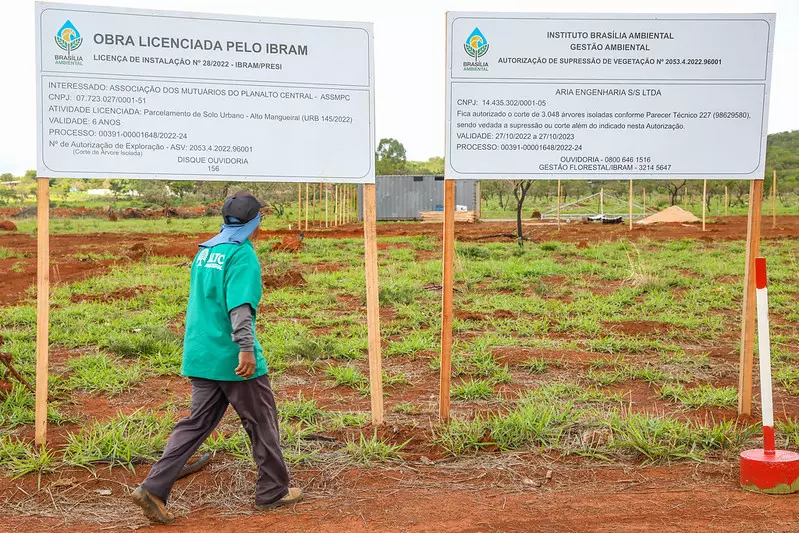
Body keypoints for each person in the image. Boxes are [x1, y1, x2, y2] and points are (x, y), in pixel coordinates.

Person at [132, 191, 303, 524]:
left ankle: (152, 489)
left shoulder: (206, 251)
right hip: (232, 358)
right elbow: (240, 308)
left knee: (196, 423)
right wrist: (246, 349)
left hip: (201, 352)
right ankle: (273, 491)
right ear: (256, 221)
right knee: (262, 421)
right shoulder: (242, 256)